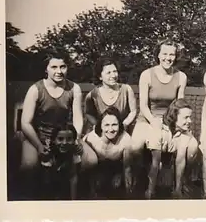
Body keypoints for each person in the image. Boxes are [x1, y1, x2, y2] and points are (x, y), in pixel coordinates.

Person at [19, 50, 97, 198]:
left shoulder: (74, 88)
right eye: (54, 67)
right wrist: (39, 145)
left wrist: (76, 138)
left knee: (91, 160)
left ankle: (81, 193)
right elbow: (25, 123)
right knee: (29, 166)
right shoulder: (36, 89)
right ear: (46, 69)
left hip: (64, 137)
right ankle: (30, 200)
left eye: (63, 67)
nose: (59, 71)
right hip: (38, 136)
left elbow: (78, 118)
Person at [130, 39, 188, 199]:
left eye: (172, 54)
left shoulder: (181, 76)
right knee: (135, 147)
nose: (168, 58)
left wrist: (173, 125)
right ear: (158, 55)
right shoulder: (146, 75)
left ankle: (177, 187)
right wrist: (154, 122)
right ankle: (140, 179)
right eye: (165, 54)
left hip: (170, 120)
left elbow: (179, 106)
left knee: (189, 148)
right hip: (147, 119)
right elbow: (143, 105)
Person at [83, 107, 133, 199]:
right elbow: (88, 169)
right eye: (106, 125)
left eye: (114, 125)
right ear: (101, 126)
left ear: (120, 125)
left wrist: (128, 194)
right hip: (96, 168)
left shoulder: (126, 139)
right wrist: (92, 192)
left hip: (116, 167)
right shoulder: (91, 139)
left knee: (116, 187)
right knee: (98, 184)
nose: (110, 129)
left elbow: (127, 168)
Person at [84, 58, 137, 134]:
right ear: (100, 77)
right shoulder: (93, 95)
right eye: (108, 73)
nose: (113, 75)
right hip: (103, 132)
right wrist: (98, 125)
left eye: (115, 71)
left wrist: (124, 124)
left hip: (124, 130)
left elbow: (133, 111)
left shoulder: (126, 90)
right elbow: (88, 113)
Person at [160, 99, 199, 198]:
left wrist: (178, 189)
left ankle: (184, 181)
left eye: (190, 117)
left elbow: (180, 159)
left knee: (193, 144)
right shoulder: (161, 128)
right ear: (174, 116)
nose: (189, 121)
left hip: (175, 160)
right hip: (160, 163)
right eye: (186, 117)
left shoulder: (185, 133)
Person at [39, 123, 81, 200]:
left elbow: (73, 178)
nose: (64, 143)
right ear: (53, 140)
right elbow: (46, 181)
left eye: (69, 139)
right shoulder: (48, 154)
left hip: (64, 181)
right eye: (60, 139)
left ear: (74, 140)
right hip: (49, 183)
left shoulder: (74, 153)